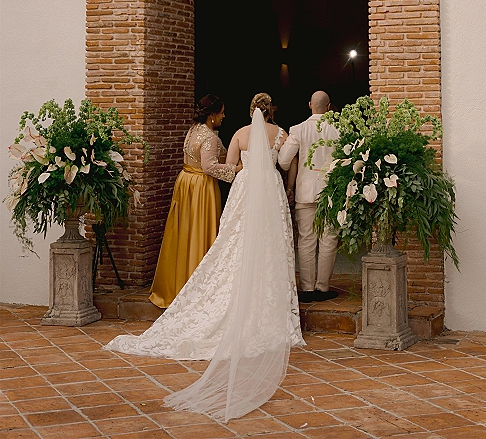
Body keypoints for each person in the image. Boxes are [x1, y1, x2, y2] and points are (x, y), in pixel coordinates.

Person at [105, 93, 304, 423]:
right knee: (272, 246)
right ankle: (268, 304)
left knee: (234, 242)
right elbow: (283, 163)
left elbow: (231, 164)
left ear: (250, 110)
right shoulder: (280, 133)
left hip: (243, 187)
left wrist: (243, 169)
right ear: (272, 111)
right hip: (269, 188)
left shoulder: (239, 134)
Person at [149, 94, 239, 309]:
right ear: (212, 114)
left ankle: (180, 282)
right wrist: (236, 169)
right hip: (201, 187)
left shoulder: (192, 131)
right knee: (200, 231)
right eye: (222, 112)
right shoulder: (209, 137)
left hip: (186, 182)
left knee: (185, 232)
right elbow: (209, 167)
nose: (224, 116)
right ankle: (198, 286)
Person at [278, 90, 340, 303]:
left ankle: (307, 289)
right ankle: (322, 287)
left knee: (306, 240)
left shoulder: (298, 129)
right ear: (329, 107)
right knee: (329, 239)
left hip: (305, 191)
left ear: (309, 105)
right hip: (331, 191)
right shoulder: (339, 128)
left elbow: (284, 161)